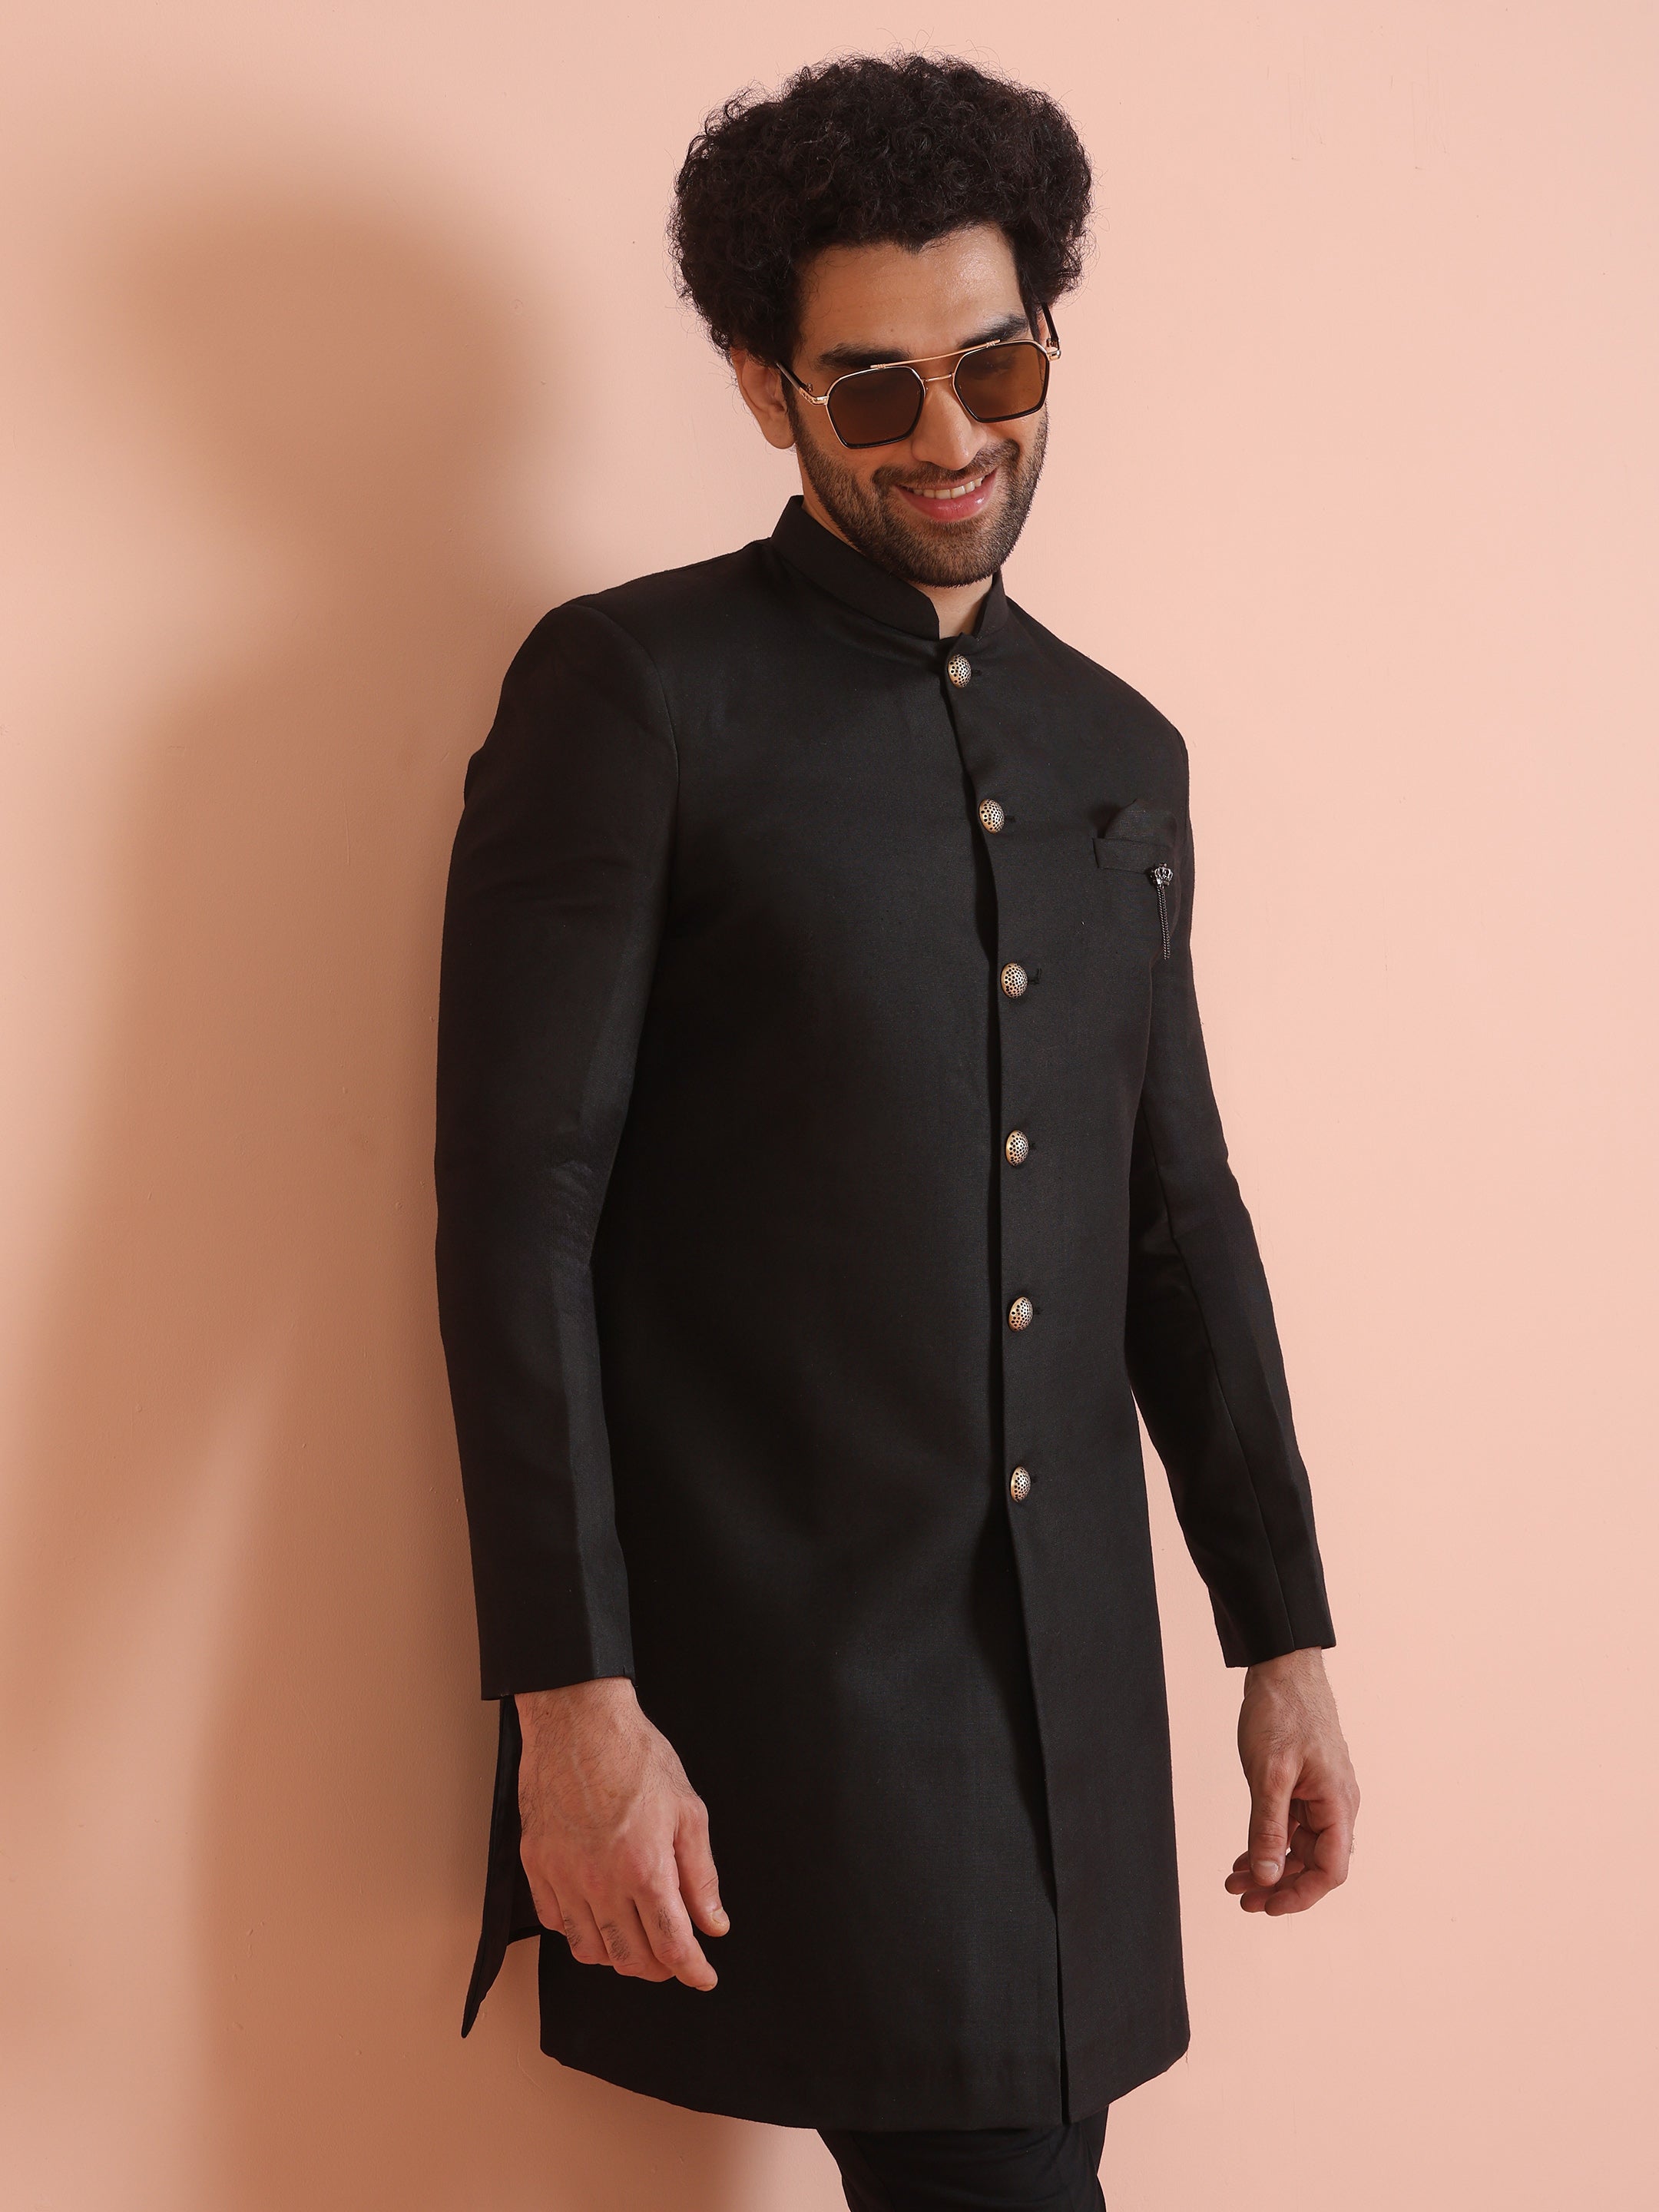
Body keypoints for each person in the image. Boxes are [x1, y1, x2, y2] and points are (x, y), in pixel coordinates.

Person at [434, 52, 1359, 2212]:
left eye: (995, 366)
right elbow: (518, 1213)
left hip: (1082, 1685)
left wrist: (1283, 1638)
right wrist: (570, 1703)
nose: (951, 437)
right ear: (766, 392)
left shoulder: (1119, 746)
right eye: (873, 387)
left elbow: (1176, 1220)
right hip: (797, 1677)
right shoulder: (635, 695)